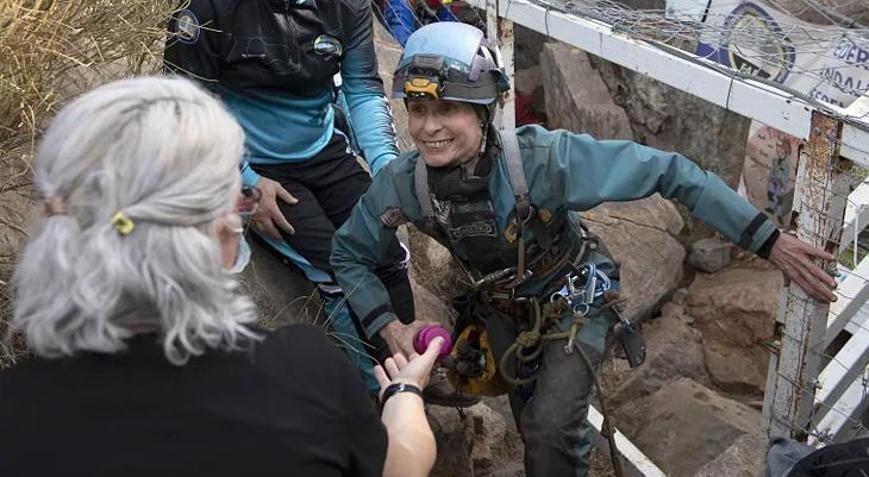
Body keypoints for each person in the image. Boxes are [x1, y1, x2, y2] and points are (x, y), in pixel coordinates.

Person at [331, 22, 840, 476]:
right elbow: (348, 253)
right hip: (503, 314)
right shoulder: (405, 184)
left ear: (484, 110)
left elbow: (671, 171)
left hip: (574, 299)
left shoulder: (543, 162)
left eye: (447, 109)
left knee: (551, 432)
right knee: (531, 419)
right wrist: (389, 325)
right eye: (417, 110)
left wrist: (769, 241)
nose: (428, 127)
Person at [0, 77, 439, 477]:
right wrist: (403, 395)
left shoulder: (14, 411)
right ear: (218, 234)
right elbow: (400, 467)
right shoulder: (301, 375)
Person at [162, 0, 415, 395]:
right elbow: (184, 109)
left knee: (388, 253)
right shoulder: (205, 9)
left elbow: (362, 89)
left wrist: (388, 170)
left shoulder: (348, 6)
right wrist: (242, 182)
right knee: (334, 267)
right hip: (248, 165)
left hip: (324, 150)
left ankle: (412, 372)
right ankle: (377, 395)